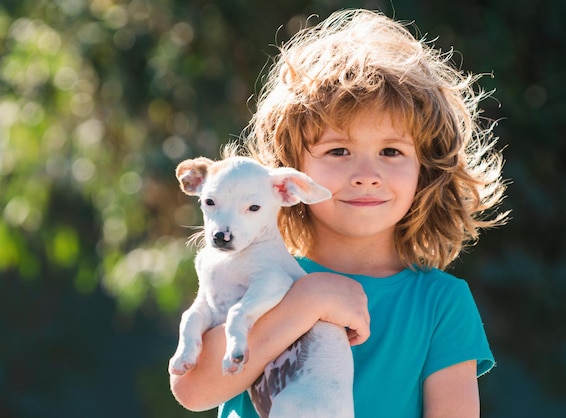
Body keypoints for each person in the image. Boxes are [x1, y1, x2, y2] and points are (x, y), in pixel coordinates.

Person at [170, 8, 508, 418]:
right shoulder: (252, 271)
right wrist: (309, 300)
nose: (367, 175)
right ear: (290, 177)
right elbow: (193, 389)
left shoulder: (441, 303)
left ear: (426, 169)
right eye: (338, 150)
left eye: (391, 151)